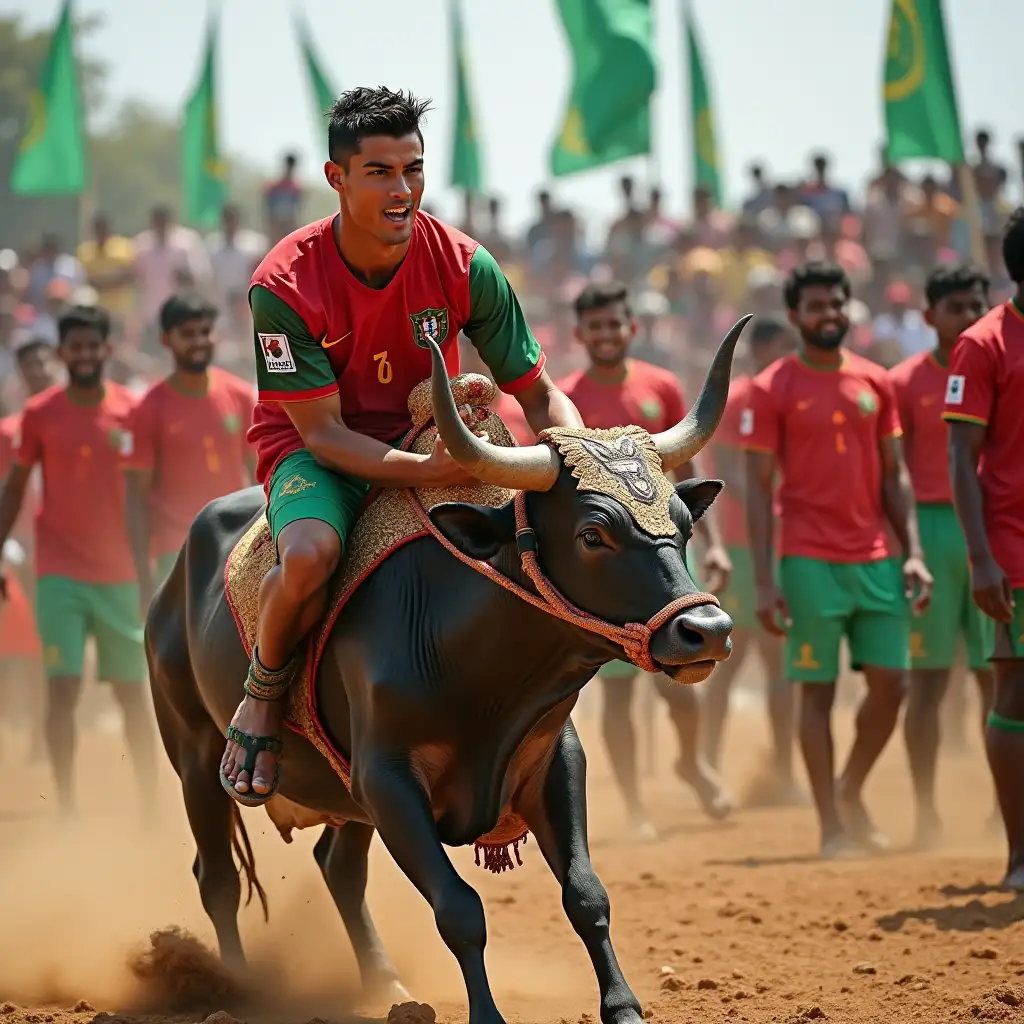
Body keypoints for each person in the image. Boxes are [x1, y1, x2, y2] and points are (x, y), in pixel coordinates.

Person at [221, 87, 584, 804]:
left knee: (535, 549)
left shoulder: (464, 263)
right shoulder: (283, 284)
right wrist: (428, 469)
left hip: (432, 436)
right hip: (317, 451)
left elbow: (539, 394)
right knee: (311, 555)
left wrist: (579, 459)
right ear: (337, 179)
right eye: (381, 172)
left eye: (414, 169)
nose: (403, 188)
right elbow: (322, 432)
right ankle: (263, 691)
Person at [742, 261, 932, 858]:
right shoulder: (773, 387)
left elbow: (895, 476)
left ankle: (850, 787)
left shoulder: (877, 383)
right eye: (818, 306)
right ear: (796, 316)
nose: (830, 315)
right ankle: (831, 824)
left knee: (893, 686)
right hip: (806, 558)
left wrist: (915, 554)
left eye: (838, 304)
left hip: (877, 556)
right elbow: (756, 488)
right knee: (816, 693)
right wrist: (768, 583)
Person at [556, 281, 734, 838]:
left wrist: (717, 544)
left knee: (685, 664)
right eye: (596, 326)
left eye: (616, 324)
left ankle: (692, 761)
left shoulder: (663, 386)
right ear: (579, 335)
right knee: (617, 691)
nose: (607, 334)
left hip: (664, 554)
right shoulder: (563, 399)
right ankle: (633, 803)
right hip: (612, 568)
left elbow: (686, 472)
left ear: (632, 329)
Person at [0, 306, 155, 815]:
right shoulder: (41, 414)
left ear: (107, 350)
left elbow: (144, 497)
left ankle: (148, 804)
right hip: (59, 573)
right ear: (63, 353)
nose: (85, 355)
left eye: (94, 346)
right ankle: (65, 805)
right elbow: (15, 489)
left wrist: (146, 570)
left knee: (134, 695)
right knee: (62, 687)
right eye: (76, 347)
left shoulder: (132, 410)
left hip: (120, 576)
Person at [889, 264, 996, 848]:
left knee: (996, 678)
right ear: (929, 316)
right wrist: (910, 547)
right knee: (927, 683)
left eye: (978, 303)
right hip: (930, 532)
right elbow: (894, 472)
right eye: (956, 307)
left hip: (989, 526)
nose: (969, 316)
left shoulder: (1003, 366)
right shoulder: (902, 382)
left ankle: (1000, 804)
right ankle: (925, 808)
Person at [944, 208, 1024, 891]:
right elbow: (960, 456)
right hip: (1012, 550)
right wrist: (980, 558)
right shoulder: (984, 343)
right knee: (1015, 686)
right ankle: (1019, 857)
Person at [702, 315, 800, 804]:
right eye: (783, 349)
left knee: (782, 664)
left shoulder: (791, 395)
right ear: (761, 350)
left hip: (784, 546)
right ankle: (710, 769)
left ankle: (782, 772)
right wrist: (782, 504)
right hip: (743, 546)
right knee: (727, 662)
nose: (790, 359)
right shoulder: (743, 397)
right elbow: (730, 474)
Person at [124, 293, 256, 614]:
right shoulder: (149, 408)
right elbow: (135, 497)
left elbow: (260, 474)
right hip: (176, 553)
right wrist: (144, 574)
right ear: (165, 340)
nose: (199, 341)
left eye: (205, 332)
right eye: (187, 334)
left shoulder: (240, 396)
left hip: (237, 543)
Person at [0, 337, 60, 759]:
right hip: (23, 551)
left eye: (44, 362)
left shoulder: (74, 419)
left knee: (48, 645)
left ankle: (46, 730)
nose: (37, 371)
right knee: (24, 645)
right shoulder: (8, 432)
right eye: (29, 366)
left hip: (62, 551)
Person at [264, 153, 304, 244]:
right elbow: (268, 212)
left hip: (290, 228)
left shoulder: (296, 188)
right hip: (276, 228)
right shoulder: (274, 187)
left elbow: (297, 213)